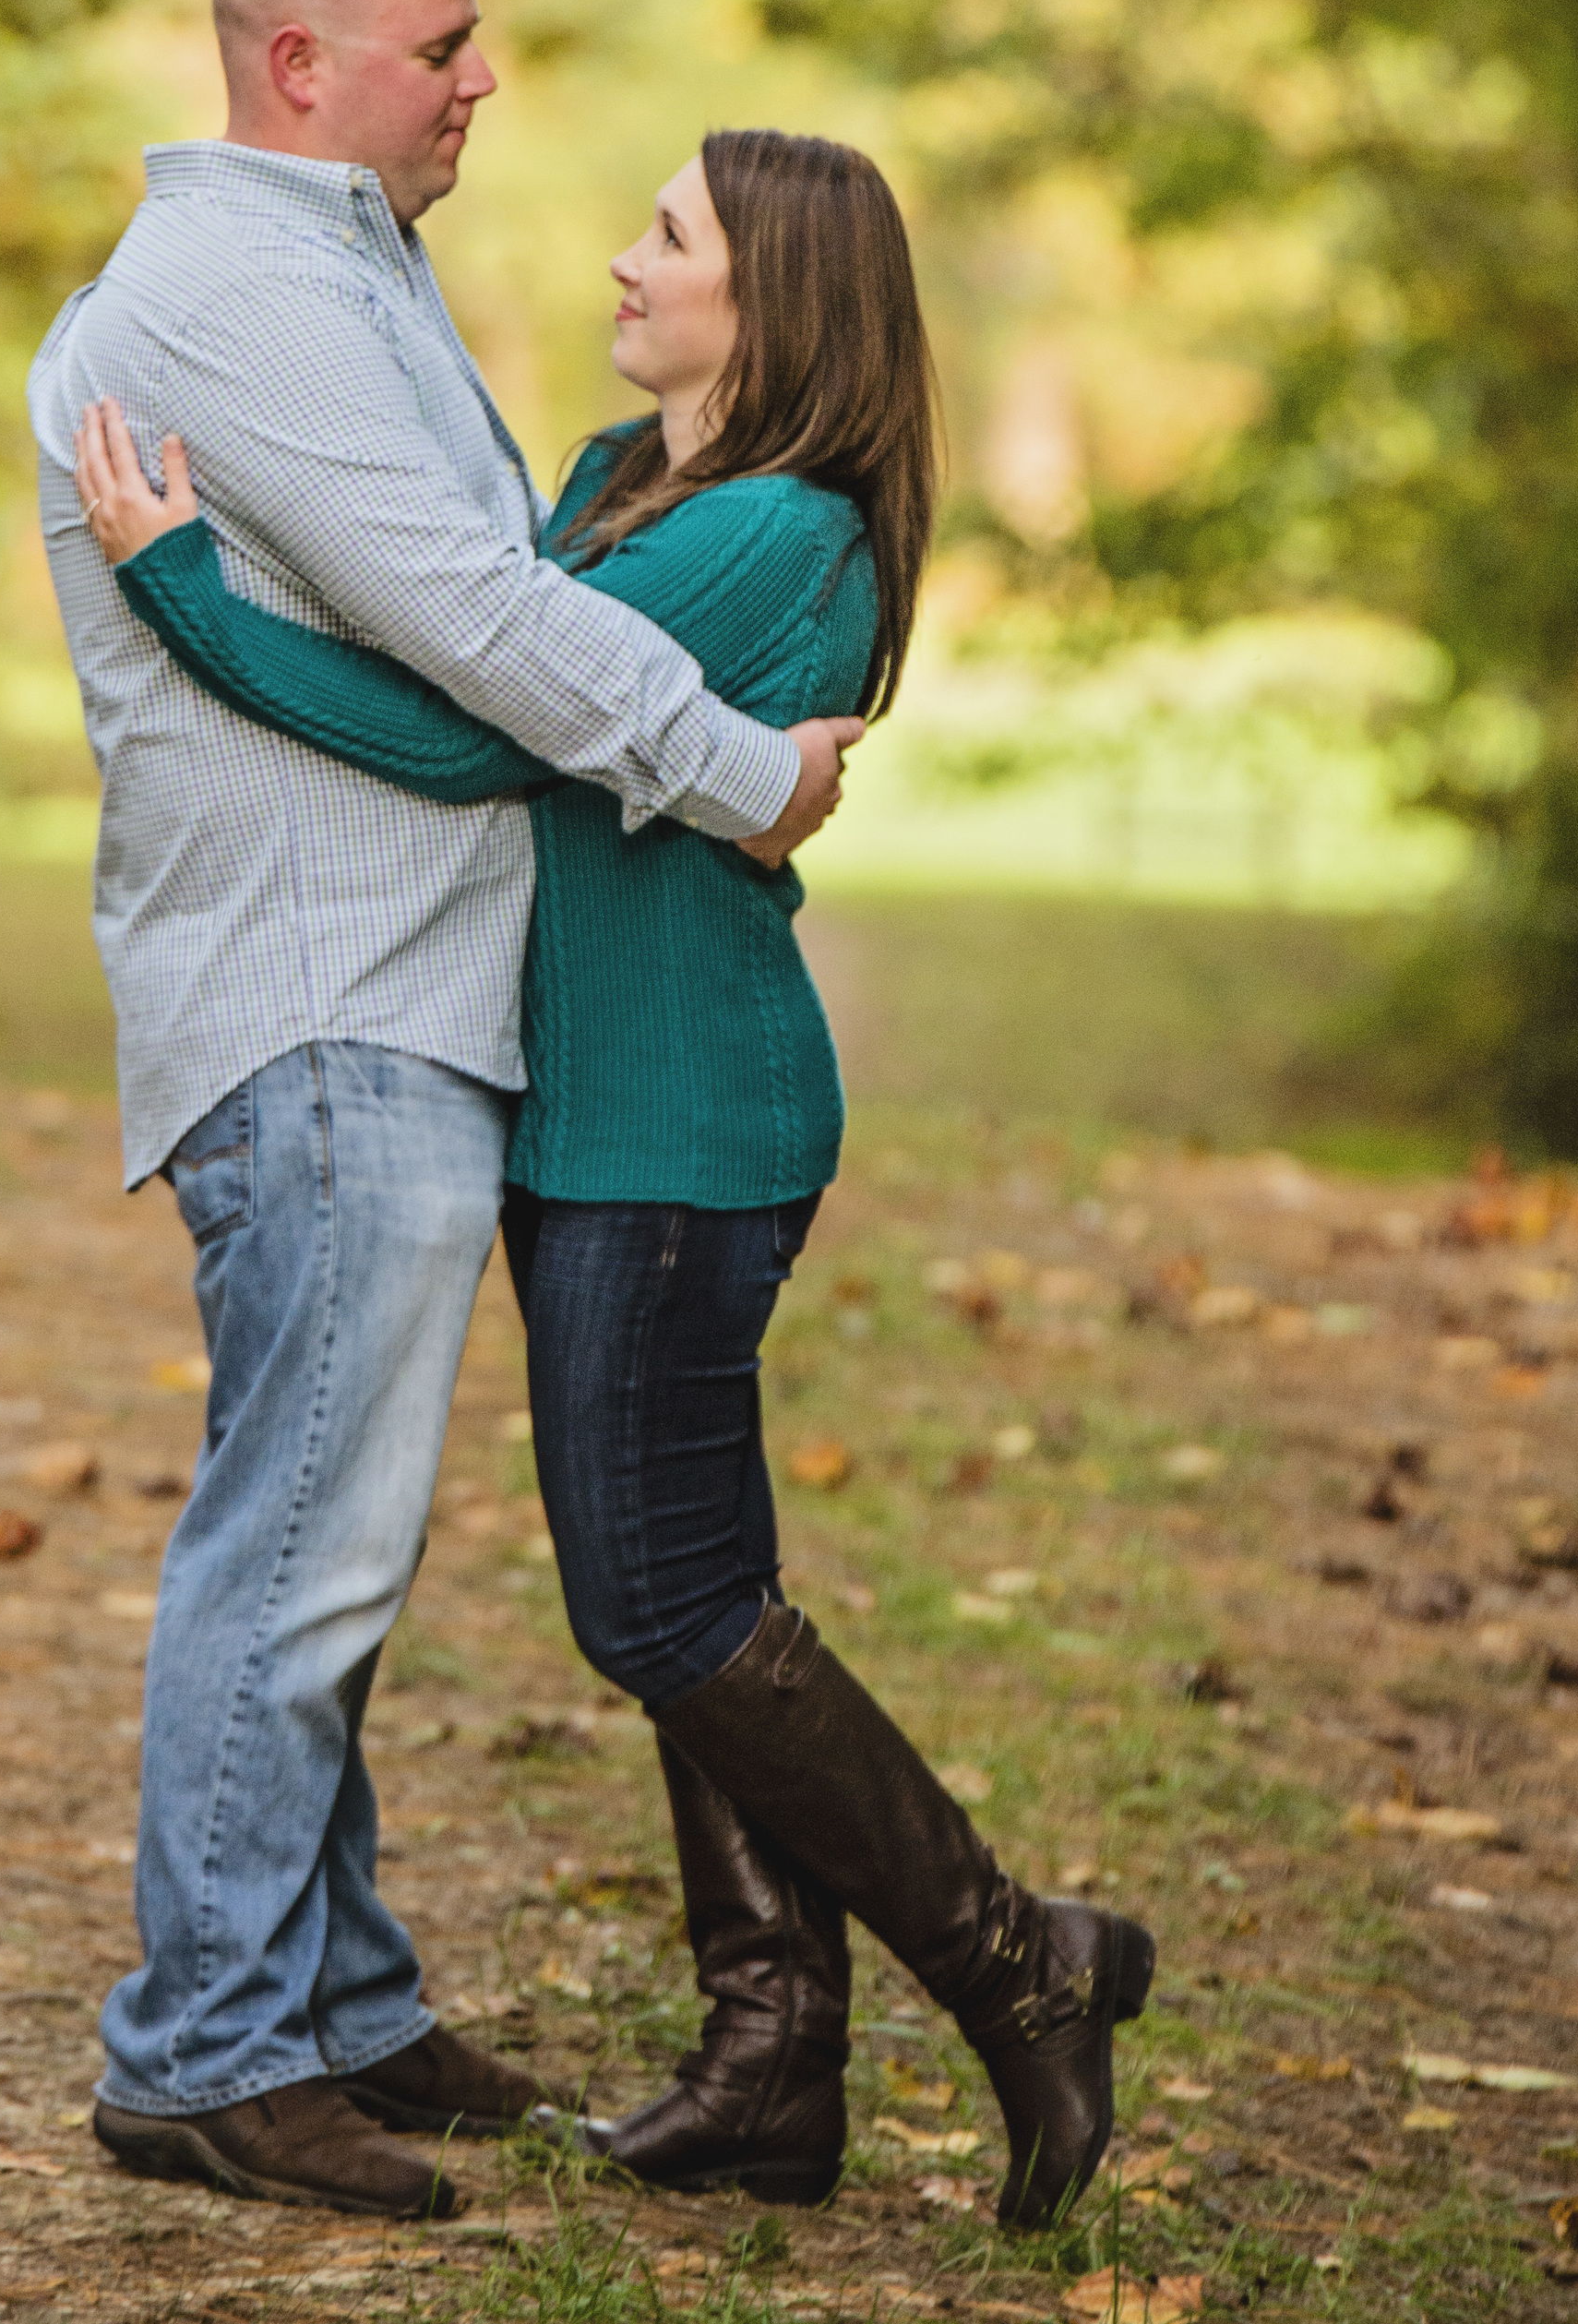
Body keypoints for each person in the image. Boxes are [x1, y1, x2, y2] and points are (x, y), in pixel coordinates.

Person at [72, 124, 1158, 2233]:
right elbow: (495, 664)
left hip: (681, 1121)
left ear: (778, 301)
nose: (615, 259)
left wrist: (183, 594)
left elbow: (484, 729)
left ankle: (1022, 1960)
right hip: (590, 1118)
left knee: (653, 1600)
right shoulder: (608, 482)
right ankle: (770, 2064)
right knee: (703, 1594)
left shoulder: (776, 527)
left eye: (666, 237)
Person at [27, 0, 860, 2224]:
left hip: (382, 988)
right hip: (318, 1001)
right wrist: (740, 767)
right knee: (294, 1540)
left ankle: (336, 1996)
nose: (484, 80)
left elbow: (442, 630)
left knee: (336, 1529)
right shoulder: (230, 295)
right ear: (301, 68)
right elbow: (490, 631)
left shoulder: (330, 262)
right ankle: (203, 2052)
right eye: (443, 46)